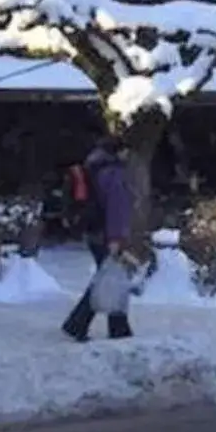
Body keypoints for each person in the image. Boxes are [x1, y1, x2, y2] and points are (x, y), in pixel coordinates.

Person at [61, 135, 136, 342]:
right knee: (110, 278)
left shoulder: (93, 168)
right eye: (126, 150)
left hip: (94, 232)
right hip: (107, 234)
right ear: (118, 151)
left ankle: (115, 326)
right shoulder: (114, 174)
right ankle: (81, 324)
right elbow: (116, 209)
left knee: (109, 277)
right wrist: (116, 238)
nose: (128, 154)